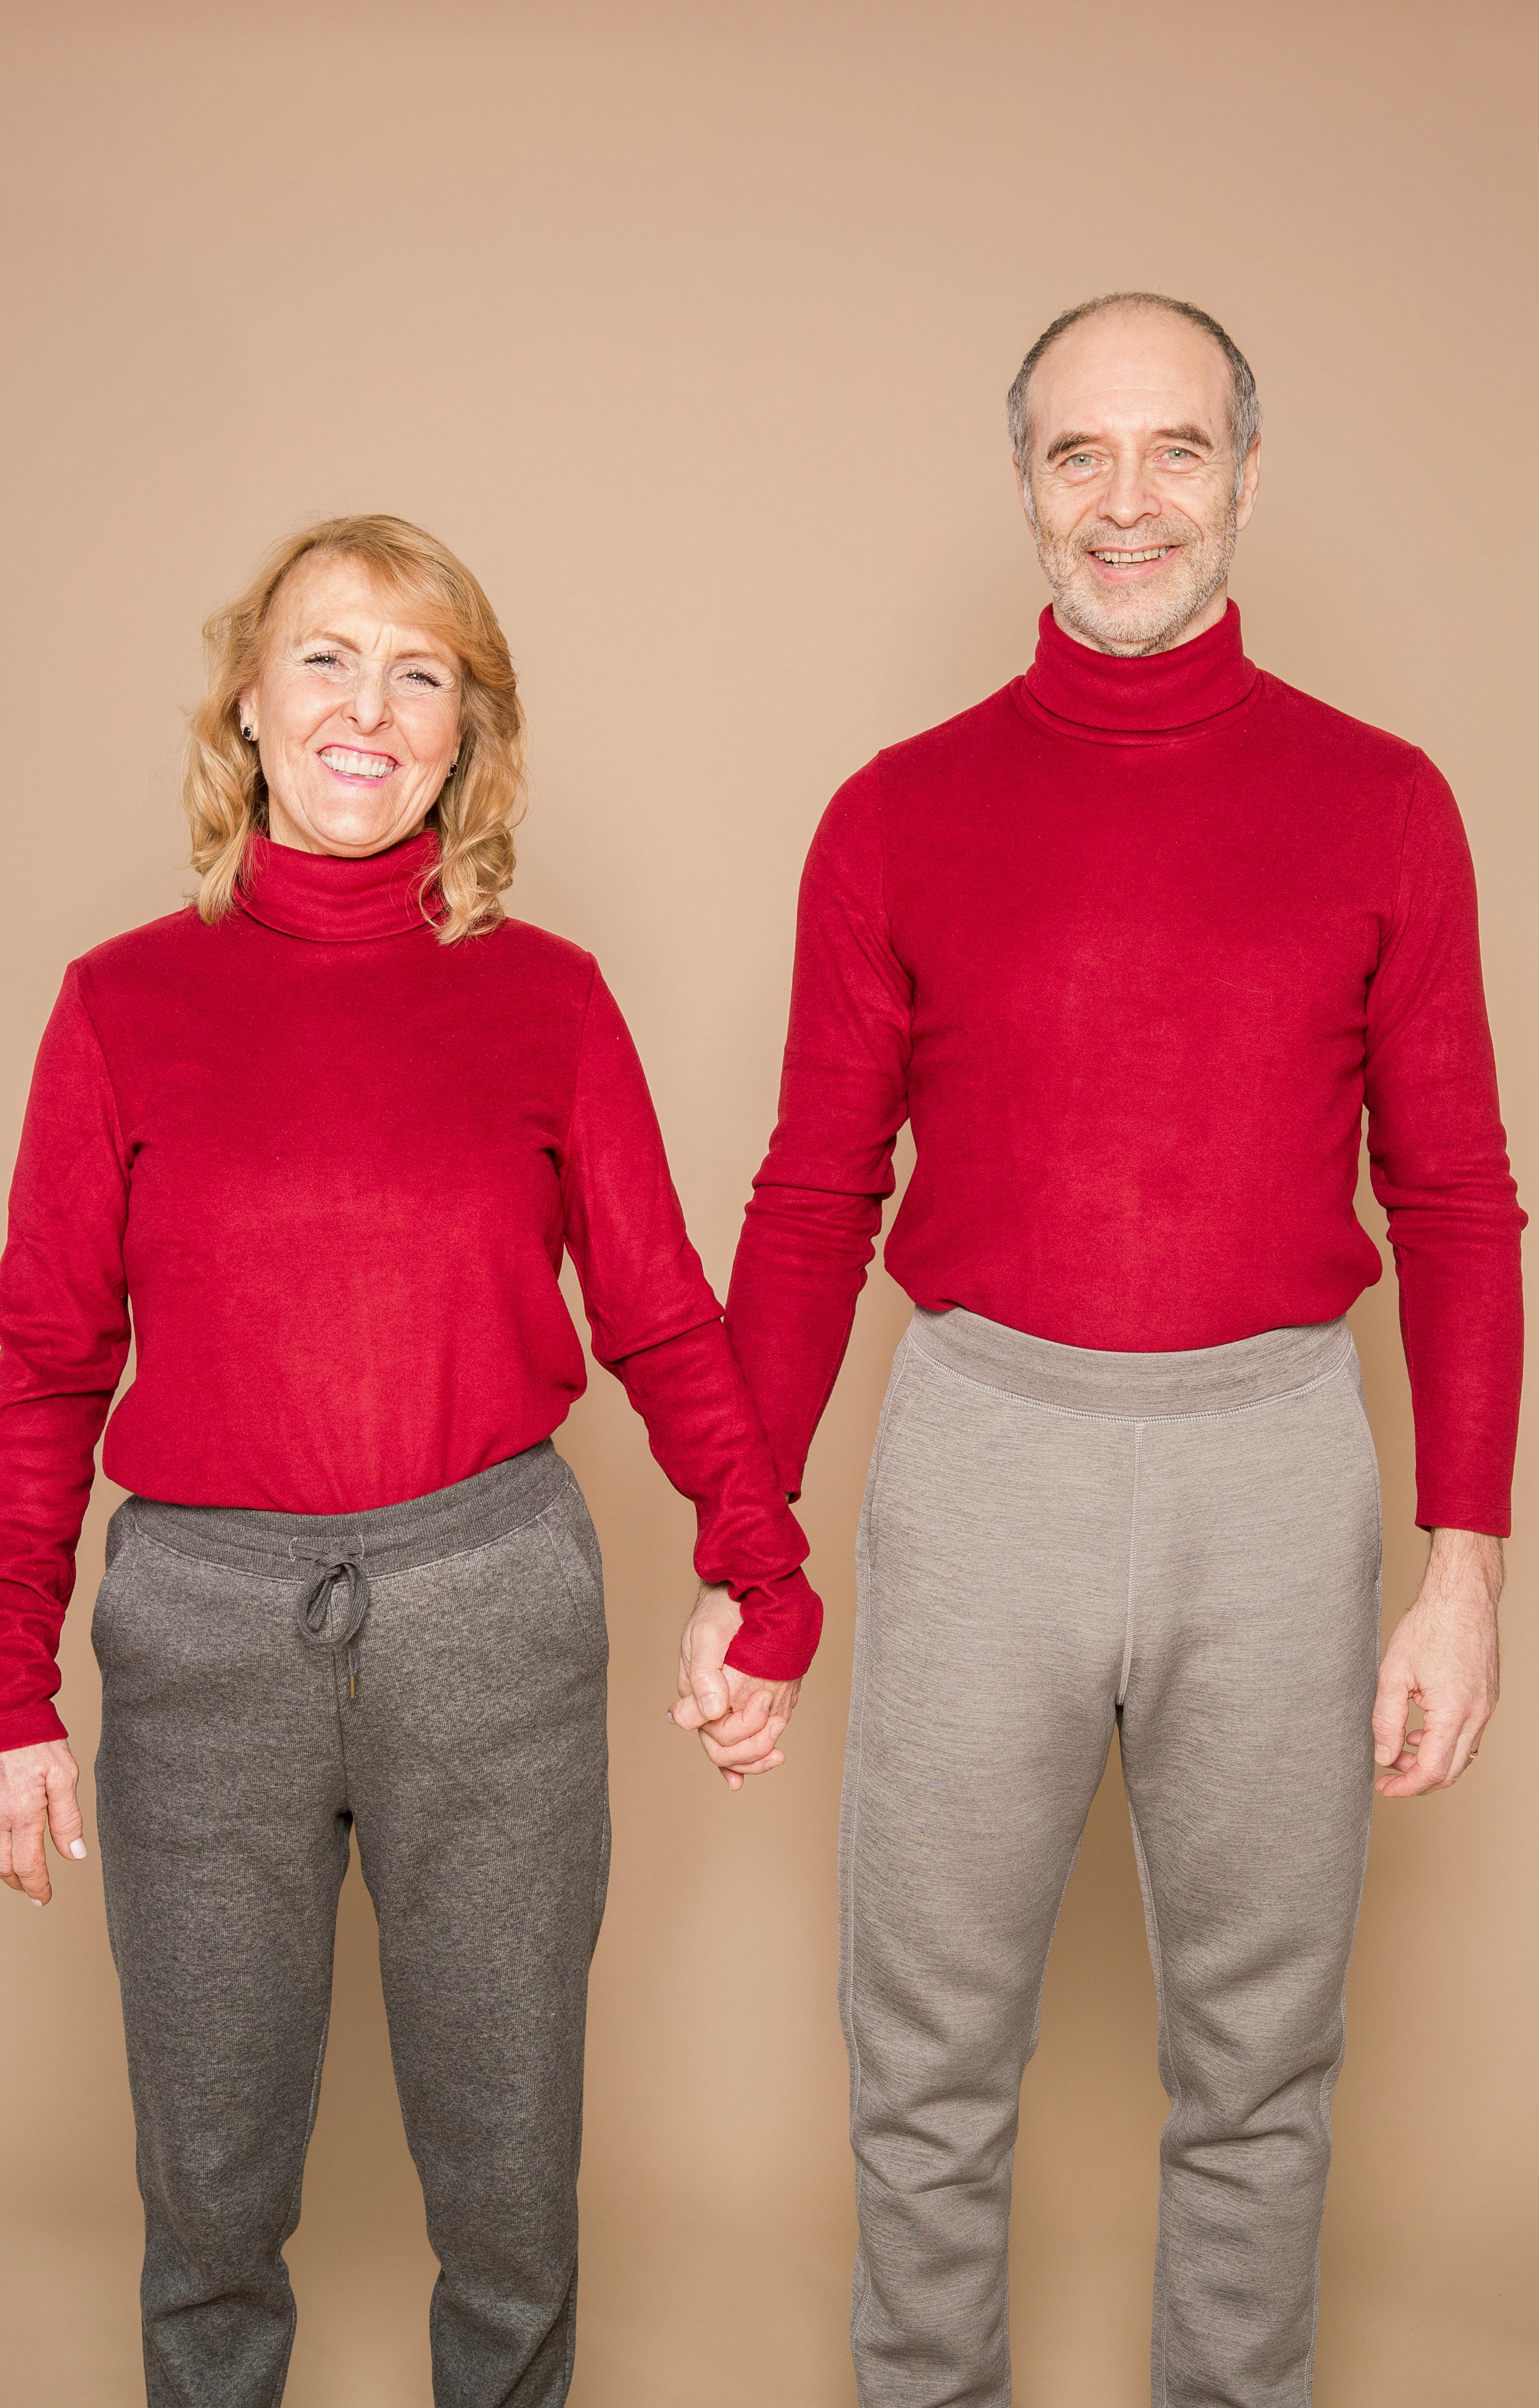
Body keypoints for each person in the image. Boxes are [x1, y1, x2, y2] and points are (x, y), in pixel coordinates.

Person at [684, 296, 1524, 2402]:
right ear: (1028, 490)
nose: (1127, 501)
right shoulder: (894, 814)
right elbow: (809, 1197)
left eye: (1173, 452)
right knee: (930, 2061)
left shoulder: (1388, 806)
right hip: (983, 1458)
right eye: (1080, 456)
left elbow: (1456, 1199)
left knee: (1264, 2067)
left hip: (1276, 1472)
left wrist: (1465, 1562)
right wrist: (743, 1540)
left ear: (1247, 474)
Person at [0, 513, 822, 2408]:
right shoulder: (118, 1006)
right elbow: (45, 1371)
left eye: (421, 671)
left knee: (509, 2191)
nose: (371, 706)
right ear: (250, 710)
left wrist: (766, 1577)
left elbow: (664, 1316)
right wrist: (5, 1684)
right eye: (329, 659)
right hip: (198, 1629)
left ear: (466, 737)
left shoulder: (551, 999)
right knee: (208, 2192)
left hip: (491, 1606)